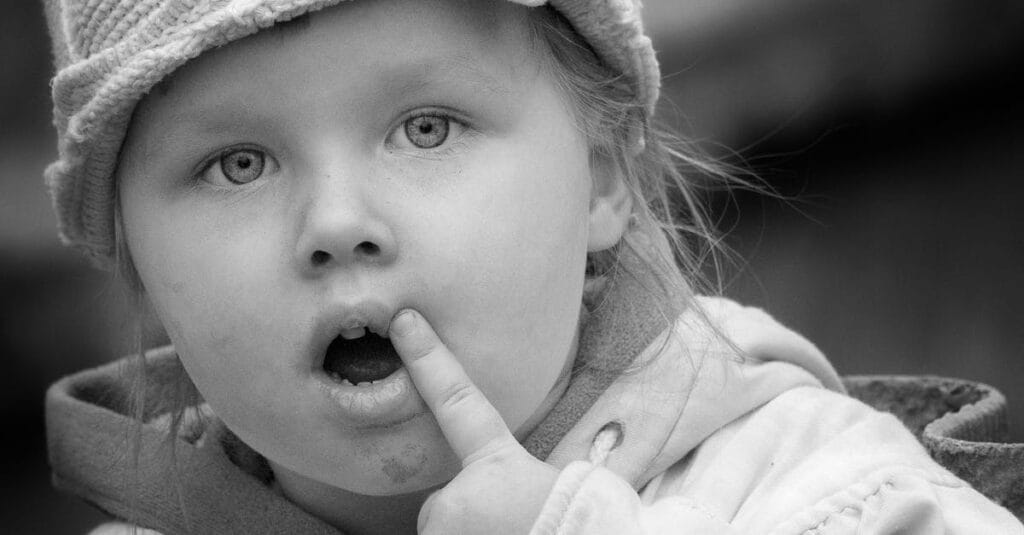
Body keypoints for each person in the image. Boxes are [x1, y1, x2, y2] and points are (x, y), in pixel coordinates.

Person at [41, 0, 1022, 533]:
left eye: (426, 128)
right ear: (136, 270)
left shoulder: (816, 483)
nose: (336, 223)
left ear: (601, 182)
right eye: (237, 164)